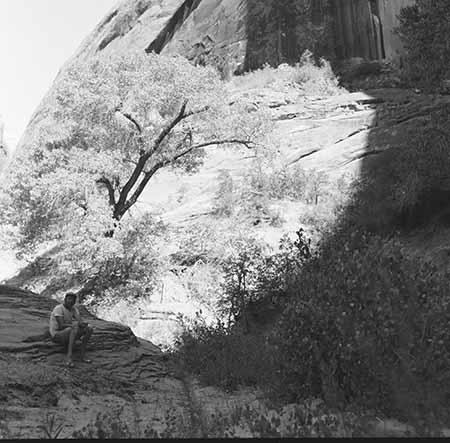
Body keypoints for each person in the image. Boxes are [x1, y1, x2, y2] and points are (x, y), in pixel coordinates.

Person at [49, 292, 93, 367]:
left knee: (89, 328)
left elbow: (80, 321)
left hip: (67, 332)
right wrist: (74, 325)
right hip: (57, 334)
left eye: (73, 300)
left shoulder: (74, 309)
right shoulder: (58, 308)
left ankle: (82, 355)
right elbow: (61, 326)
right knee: (74, 328)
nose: (71, 301)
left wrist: (84, 324)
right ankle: (69, 357)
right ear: (65, 299)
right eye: (69, 299)